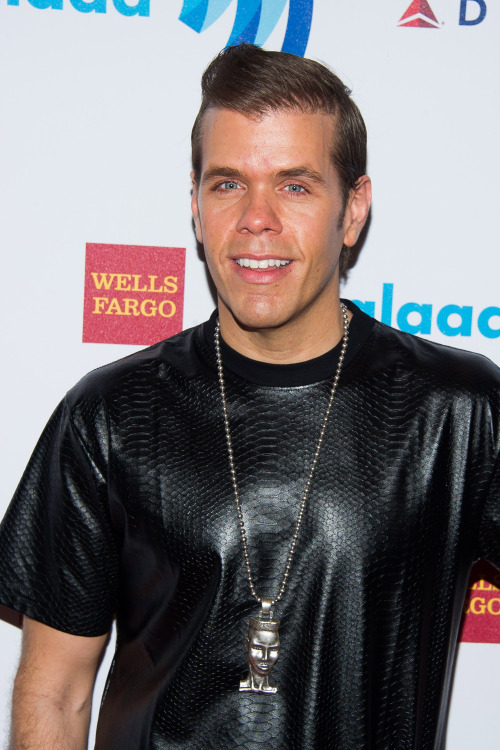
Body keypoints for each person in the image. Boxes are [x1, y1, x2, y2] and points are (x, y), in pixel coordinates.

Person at [0, 42, 499, 750]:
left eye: (295, 185)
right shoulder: (109, 414)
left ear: (352, 210)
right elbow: (55, 690)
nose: (255, 219)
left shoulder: (457, 409)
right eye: (228, 183)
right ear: (197, 205)